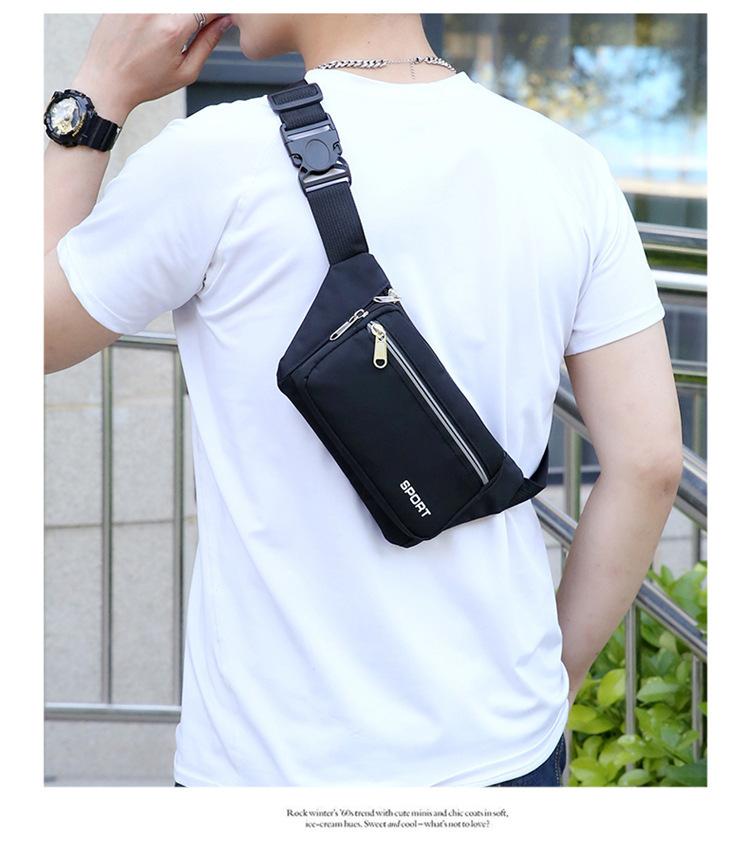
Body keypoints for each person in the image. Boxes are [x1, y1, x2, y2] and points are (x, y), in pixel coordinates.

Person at [44, 13, 683, 787]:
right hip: (505, 740)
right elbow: (650, 464)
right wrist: (557, 677)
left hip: (274, 764)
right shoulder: (568, 166)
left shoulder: (215, 158)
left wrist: (98, 92)